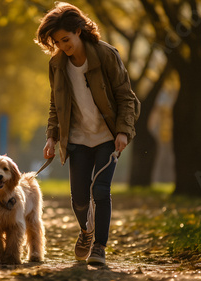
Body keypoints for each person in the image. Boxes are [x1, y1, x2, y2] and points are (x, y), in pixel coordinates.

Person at [35, 2, 140, 265]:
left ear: (79, 30)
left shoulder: (106, 55)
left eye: (66, 39)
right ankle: (86, 231)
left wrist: (123, 131)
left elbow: (126, 96)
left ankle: (100, 248)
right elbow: (55, 104)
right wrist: (52, 136)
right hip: (78, 139)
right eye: (57, 42)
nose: (63, 46)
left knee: (101, 191)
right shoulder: (57, 64)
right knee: (79, 198)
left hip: (107, 136)